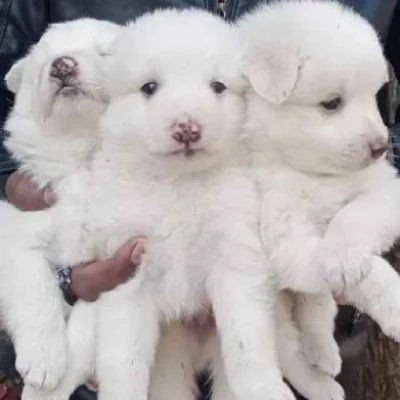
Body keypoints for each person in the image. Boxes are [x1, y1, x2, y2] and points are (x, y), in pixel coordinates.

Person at [0, 0, 399, 399]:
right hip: (101, 337)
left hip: (310, 328)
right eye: (152, 89)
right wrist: (57, 273)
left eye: (217, 88)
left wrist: (348, 216)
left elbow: (381, 131)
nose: (187, 122)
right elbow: (18, 107)